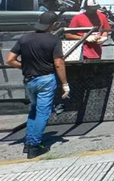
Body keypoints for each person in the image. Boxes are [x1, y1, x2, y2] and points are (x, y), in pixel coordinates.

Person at [5, 11, 70, 159]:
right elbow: (58, 63)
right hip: (46, 79)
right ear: (53, 25)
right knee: (43, 112)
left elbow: (10, 59)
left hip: (29, 79)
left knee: (34, 110)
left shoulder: (24, 38)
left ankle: (28, 141)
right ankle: (34, 146)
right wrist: (65, 83)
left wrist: (24, 66)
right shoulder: (53, 40)